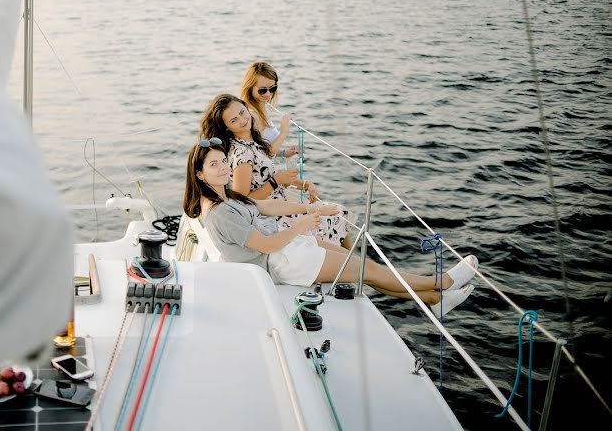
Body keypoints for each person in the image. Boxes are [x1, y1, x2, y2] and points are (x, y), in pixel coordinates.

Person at [183, 140, 478, 315]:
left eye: (224, 161)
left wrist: (310, 208)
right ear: (200, 174)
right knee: (368, 271)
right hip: (281, 262)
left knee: (367, 272)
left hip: (287, 250)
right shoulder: (220, 214)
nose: (224, 167)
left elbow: (269, 207)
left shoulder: (229, 196)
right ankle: (442, 283)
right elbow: (265, 245)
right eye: (214, 165)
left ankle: (432, 299)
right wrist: (299, 226)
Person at [200, 93, 353, 248]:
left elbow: (265, 175)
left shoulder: (251, 141)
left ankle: (349, 264)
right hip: (271, 217)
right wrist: (276, 181)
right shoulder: (242, 154)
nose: (243, 120)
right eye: (234, 120)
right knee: (337, 214)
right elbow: (243, 201)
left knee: (337, 213)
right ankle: (350, 266)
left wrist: (306, 185)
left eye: (242, 112)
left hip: (280, 205)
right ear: (226, 127)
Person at [239, 62, 296, 158]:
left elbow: (262, 148)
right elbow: (258, 156)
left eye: (272, 88)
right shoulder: (253, 116)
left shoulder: (260, 109)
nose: (268, 94)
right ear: (249, 87)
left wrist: (284, 153)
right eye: (262, 90)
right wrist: (283, 133)